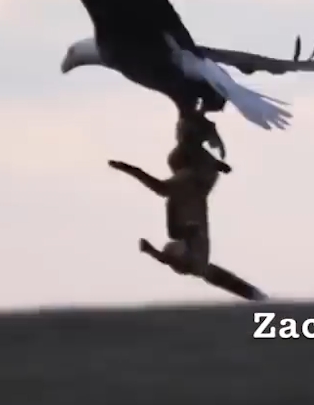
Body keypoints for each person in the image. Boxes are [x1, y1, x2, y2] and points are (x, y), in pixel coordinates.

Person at [108, 115, 268, 302]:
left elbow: (160, 188)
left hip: (190, 212)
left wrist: (129, 169)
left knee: (192, 261)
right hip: (192, 224)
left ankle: (254, 295)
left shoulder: (187, 180)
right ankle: (254, 295)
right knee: (199, 267)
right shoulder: (190, 179)